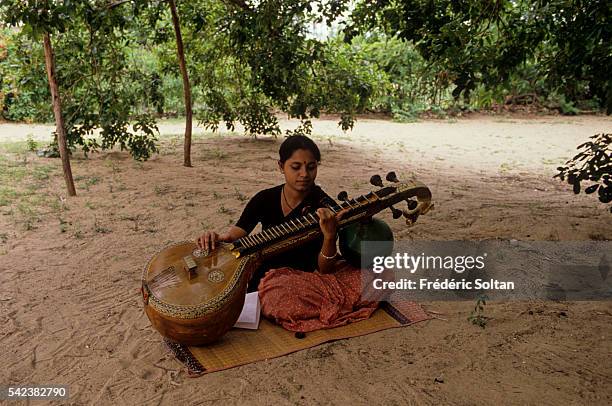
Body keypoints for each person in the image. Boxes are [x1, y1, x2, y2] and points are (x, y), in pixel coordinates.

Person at [196, 135, 379, 332]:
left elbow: (326, 268)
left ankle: (317, 303)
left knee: (382, 276)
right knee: (278, 297)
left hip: (311, 277)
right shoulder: (264, 198)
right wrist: (214, 238)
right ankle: (320, 303)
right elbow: (234, 236)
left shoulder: (324, 206)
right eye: (296, 167)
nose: (304, 174)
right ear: (281, 166)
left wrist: (329, 236)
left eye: (311, 167)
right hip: (273, 279)